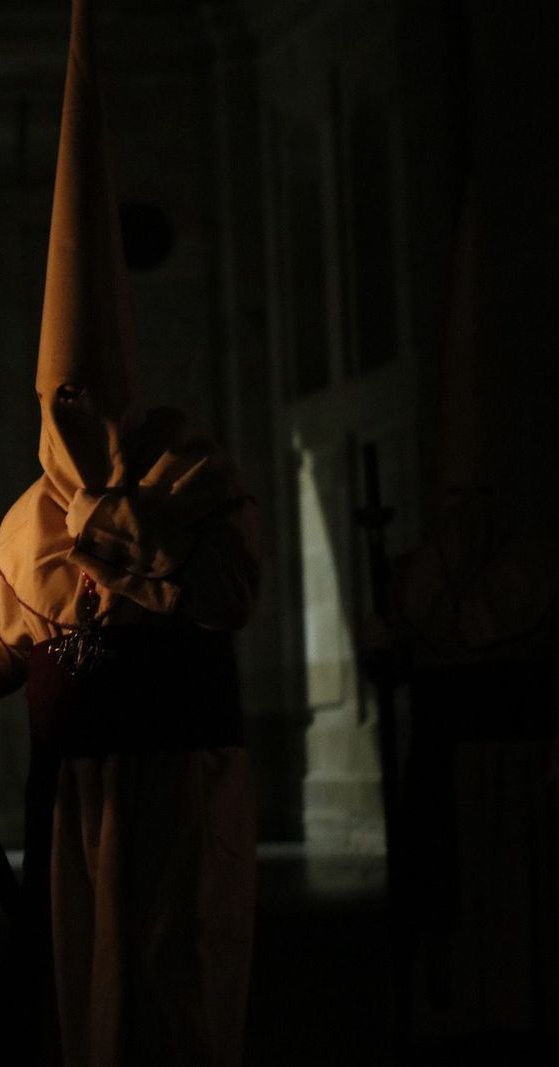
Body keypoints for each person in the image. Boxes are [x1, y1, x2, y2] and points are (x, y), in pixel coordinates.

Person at [0, 3, 260, 1064]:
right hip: (74, 776)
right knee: (81, 972)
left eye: (84, 405)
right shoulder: (24, 514)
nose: (69, 427)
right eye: (55, 405)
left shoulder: (188, 476)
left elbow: (224, 594)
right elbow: (8, 631)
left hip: (173, 764)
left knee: (168, 962)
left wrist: (110, 512)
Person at [384, 185, 558, 1060]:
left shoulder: (525, 555)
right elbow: (417, 631)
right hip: (451, 760)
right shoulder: (445, 558)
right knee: (464, 903)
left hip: (521, 758)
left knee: (516, 899)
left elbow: (468, 627)